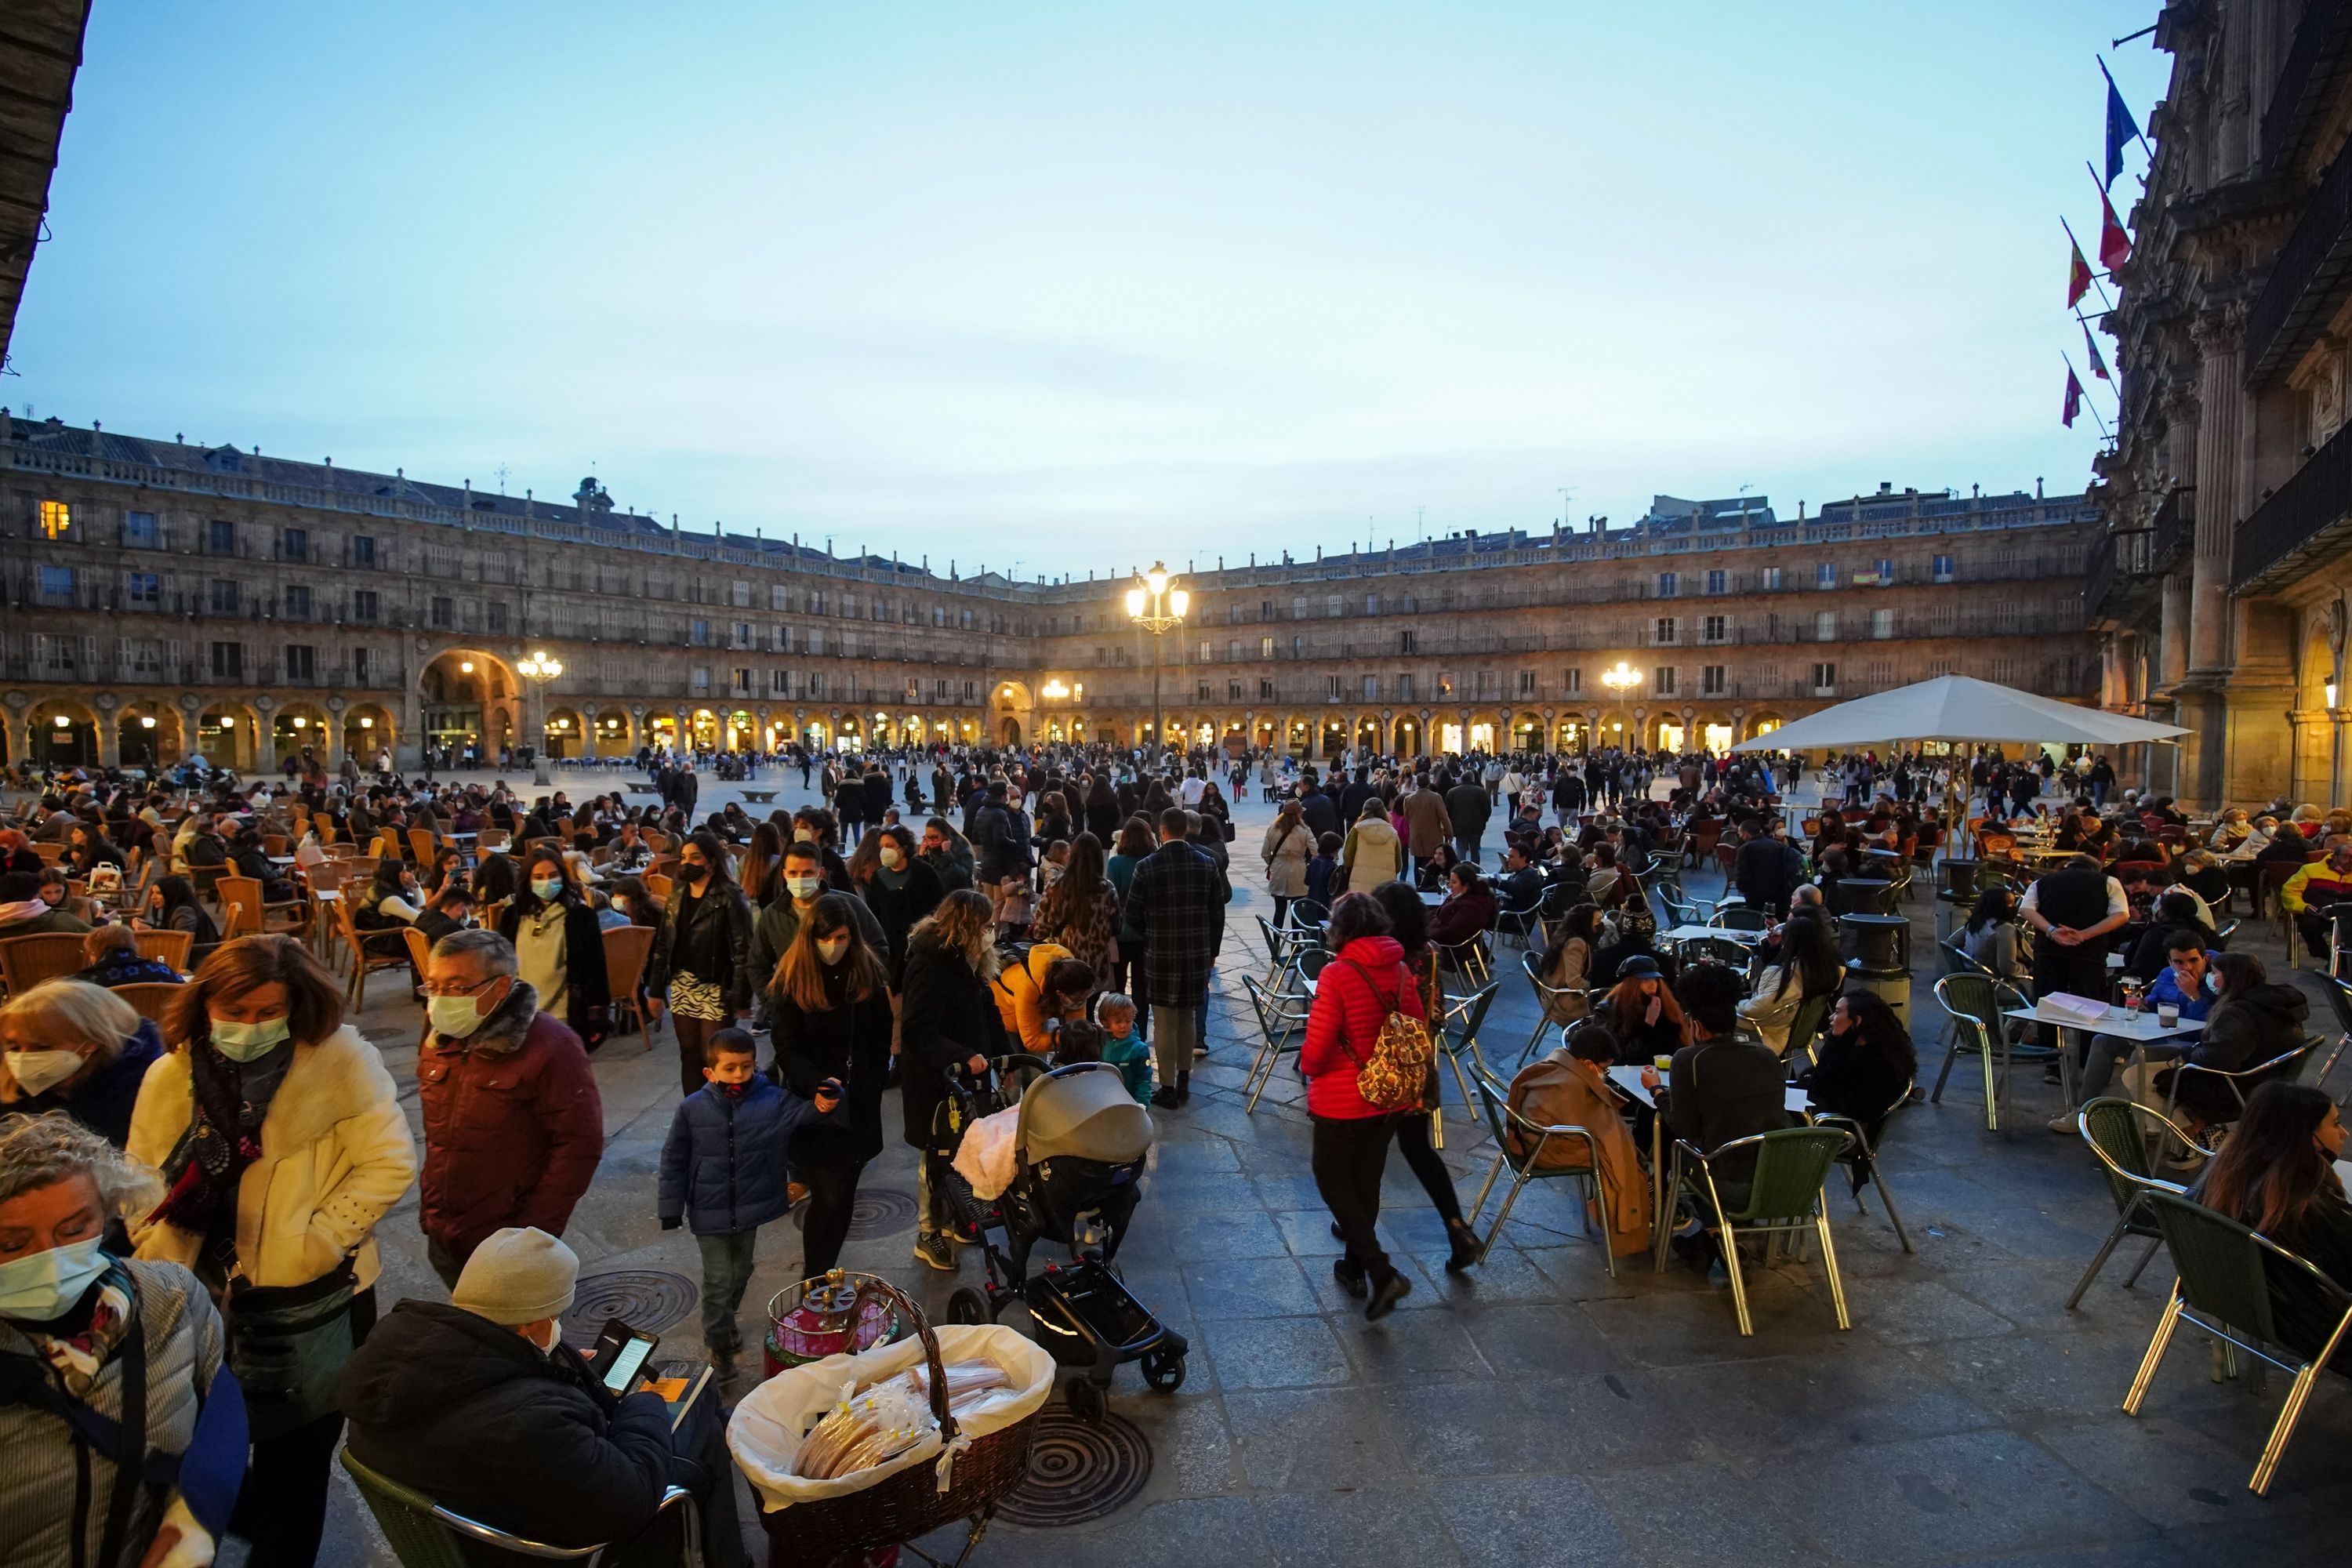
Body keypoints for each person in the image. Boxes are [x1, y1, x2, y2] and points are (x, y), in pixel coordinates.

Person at [128, 935, 418, 1568]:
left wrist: (318, 1242)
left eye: (267, 1011)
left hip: (316, 1302)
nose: (249, 1026)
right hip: (195, 1299)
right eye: (235, 1010)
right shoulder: (170, 1074)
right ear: (206, 1004)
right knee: (192, 1451)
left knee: (300, 1464)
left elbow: (388, 1163)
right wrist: (154, 1242)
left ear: (296, 1005)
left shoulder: (339, 1062)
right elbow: (139, 1175)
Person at [339, 1226, 746, 1567]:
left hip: (475, 1521)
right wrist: (645, 1402)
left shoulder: (394, 1361)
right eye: (557, 1316)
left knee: (705, 1416)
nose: (559, 1325)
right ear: (534, 1324)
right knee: (699, 1408)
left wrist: (552, 1367)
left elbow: (484, 1393)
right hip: (542, 1547)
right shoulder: (527, 1422)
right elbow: (633, 1499)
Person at [0, 1115, 246, 1568]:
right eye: (12, 1244)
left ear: (109, 1210)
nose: (49, 1261)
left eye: (73, 1230)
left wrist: (194, 1519)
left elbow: (220, 1409)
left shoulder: (171, 1298)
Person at [415, 930, 604, 1287]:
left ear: (501, 987)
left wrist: (532, 1235)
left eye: (457, 987)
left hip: (510, 1240)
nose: (440, 999)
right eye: (433, 986)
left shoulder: (551, 1047)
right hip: (445, 1228)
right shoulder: (440, 1037)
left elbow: (579, 1145)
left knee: (517, 1339)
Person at [662, 1029, 845, 1370]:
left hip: (748, 1208)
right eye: (730, 1068)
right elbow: (674, 1159)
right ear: (710, 1072)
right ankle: (719, 1339)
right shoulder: (692, 1109)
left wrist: (826, 1100)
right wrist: (670, 1208)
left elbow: (805, 1112)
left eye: (746, 1067)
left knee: (742, 1270)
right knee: (718, 1278)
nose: (739, 1074)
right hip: (708, 1209)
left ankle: (724, 1316)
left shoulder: (770, 1100)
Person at [1299, 893, 1424, 1318]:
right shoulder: (1403, 969)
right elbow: (1417, 1026)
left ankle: (1381, 1271)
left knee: (1331, 1178)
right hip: (1389, 1094)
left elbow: (1316, 1049)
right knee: (1366, 1182)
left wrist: (1310, 1068)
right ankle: (1353, 1265)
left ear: (1340, 929)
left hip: (1343, 1096)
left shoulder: (1337, 974)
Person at [764, 898, 894, 1280]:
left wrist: (873, 1080)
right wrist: (815, 1085)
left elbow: (881, 1033)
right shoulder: (793, 979)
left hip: (859, 1103)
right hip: (815, 1105)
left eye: (842, 937)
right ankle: (815, 1275)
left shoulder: (866, 971)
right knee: (829, 1194)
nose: (835, 945)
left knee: (846, 1194)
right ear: (811, 938)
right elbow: (786, 1046)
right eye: (827, 938)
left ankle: (824, 1273)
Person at [1643, 961, 1792, 1267]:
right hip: (1780, 1175)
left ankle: (1710, 1234)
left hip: (1722, 1176)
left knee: (1680, 1151)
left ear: (1695, 1024)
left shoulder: (1689, 1060)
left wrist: (1657, 1092)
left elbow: (1682, 1127)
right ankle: (1713, 1239)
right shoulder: (1766, 1055)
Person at [2190, 1081, 2352, 1364]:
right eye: (2336, 1124)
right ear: (2309, 1137)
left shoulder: (2225, 1171)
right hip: (2317, 1330)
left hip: (2240, 1304)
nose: (2344, 1133)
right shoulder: (2304, 1201)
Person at [1366, 880, 1480, 1272]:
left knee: (1369, 1157)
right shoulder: (1429, 955)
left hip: (1381, 1071)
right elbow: (1438, 1013)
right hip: (1419, 1067)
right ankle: (1456, 1226)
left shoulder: (1378, 958)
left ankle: (1356, 1240)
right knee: (1420, 1152)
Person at [898, 891, 1011, 1270]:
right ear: (966, 926)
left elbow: (986, 1010)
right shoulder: (931, 963)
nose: (989, 933)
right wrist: (962, 1056)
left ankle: (958, 1218)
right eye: (985, 926)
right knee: (936, 1153)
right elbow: (917, 1029)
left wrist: (1005, 1056)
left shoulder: (968, 961)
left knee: (964, 1146)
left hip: (967, 1076)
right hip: (936, 1079)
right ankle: (929, 1233)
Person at [1503, 1022, 1652, 1257]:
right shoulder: (1569, 1085)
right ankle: (1628, 1230)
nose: (1605, 1074)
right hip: (1549, 1149)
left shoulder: (1556, 1066)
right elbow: (1594, 1128)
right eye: (1605, 1069)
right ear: (1587, 1064)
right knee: (1623, 1160)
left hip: (1537, 1140)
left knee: (1623, 1149)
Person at [1123, 807, 1227, 1109]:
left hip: (1161, 954)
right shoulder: (1208, 864)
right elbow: (1217, 913)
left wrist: (1153, 933)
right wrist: (1212, 951)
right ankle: (1184, 1081)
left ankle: (1167, 1086)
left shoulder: (1147, 866)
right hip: (1196, 954)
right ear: (1186, 830)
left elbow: (1132, 914)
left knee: (1165, 1023)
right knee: (1188, 1018)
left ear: (1162, 831)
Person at [2153, 951, 2310, 1151]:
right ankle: (2199, 1134)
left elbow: (2215, 1060)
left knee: (2154, 1079)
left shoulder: (2237, 1013)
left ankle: (2199, 1136)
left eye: (2215, 973)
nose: (2212, 979)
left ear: (2231, 978)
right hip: (2272, 1080)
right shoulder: (2277, 1003)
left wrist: (2187, 1056)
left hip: (2240, 1089)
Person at [646, 831, 757, 1098]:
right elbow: (663, 945)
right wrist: (656, 990)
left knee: (716, 1055)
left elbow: (743, 951)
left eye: (695, 857)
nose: (687, 863)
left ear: (711, 861)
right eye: (684, 857)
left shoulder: (729, 896)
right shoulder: (677, 896)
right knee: (689, 1054)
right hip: (683, 984)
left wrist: (741, 997)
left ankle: (722, 1107)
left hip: (715, 986)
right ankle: (695, 1109)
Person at [0, 979, 167, 1149]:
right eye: (14, 1047)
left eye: (43, 1046)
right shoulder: (14, 1091)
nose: (24, 1057)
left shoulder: (138, 1096)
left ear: (94, 1041)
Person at [495, 851, 612, 1051]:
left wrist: (597, 1012)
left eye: (552, 875)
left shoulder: (581, 917)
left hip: (565, 1017)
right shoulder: (512, 917)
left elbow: (596, 967)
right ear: (527, 880)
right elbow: (501, 965)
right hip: (522, 1017)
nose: (546, 882)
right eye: (539, 877)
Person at [2022, 853, 2129, 1027]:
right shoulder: (2108, 881)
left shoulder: (2042, 882)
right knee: (2089, 1008)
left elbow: (2026, 910)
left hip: (2049, 951)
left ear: (2068, 866)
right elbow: (2122, 915)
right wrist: (2084, 935)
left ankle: (2050, 1049)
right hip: (2088, 953)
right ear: (2096, 869)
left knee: (2048, 1007)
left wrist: (2052, 930)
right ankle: (2086, 1050)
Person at [1798, 988, 1918, 1121]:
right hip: (1819, 1106)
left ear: (1857, 1020)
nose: (1831, 1018)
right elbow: (1822, 1078)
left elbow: (1855, 1106)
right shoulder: (1851, 1045)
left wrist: (1815, 1086)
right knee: (1775, 1095)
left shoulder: (1878, 1061)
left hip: (1830, 1122)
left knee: (1776, 1103)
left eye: (1837, 1012)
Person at [851, 823, 945, 984]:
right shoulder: (879, 877)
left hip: (920, 942)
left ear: (903, 848)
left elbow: (939, 905)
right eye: (882, 847)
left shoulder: (924, 872)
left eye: (890, 846)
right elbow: (875, 911)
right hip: (891, 945)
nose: (885, 851)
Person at [1738, 910, 1840, 1057]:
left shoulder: (1788, 976)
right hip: (1796, 1031)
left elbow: (1755, 1010)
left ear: (1791, 940)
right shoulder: (1823, 971)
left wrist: (1737, 1004)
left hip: (1769, 1033)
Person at [1030, 831, 1120, 986]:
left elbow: (1039, 931)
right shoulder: (1107, 889)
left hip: (1063, 963)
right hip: (1095, 967)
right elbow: (1116, 927)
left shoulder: (1055, 886)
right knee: (1088, 1008)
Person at [1596, 954, 1686, 1065]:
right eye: (1646, 980)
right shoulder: (1608, 1010)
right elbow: (1619, 1058)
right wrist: (1648, 1024)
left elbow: (1676, 1048)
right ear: (1630, 983)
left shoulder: (1665, 1006)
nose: (1652, 985)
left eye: (1655, 980)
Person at [2281, 841, 2352, 961]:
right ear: (2335, 857)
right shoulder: (2310, 870)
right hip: (2316, 912)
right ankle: (2328, 957)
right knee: (2309, 923)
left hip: (2346, 916)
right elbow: (2289, 892)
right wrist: (2303, 907)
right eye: (2346, 856)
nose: (2350, 860)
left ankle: (2342, 962)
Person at [1534, 903, 1602, 1029]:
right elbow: (1574, 982)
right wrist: (1594, 988)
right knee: (1607, 1009)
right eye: (1597, 921)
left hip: (1554, 993)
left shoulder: (1564, 934)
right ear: (1585, 923)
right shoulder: (1576, 943)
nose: (1600, 925)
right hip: (1563, 1002)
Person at [71, 922, 185, 990]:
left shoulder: (85, 982)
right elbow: (185, 992)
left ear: (95, 952)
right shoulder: (161, 971)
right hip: (158, 1028)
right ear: (132, 945)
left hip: (107, 1030)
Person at [1339, 797, 1405, 895]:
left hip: (1359, 886)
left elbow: (1347, 857)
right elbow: (1398, 865)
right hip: (1386, 888)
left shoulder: (1357, 830)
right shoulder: (1393, 833)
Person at [1260, 802, 1311, 928]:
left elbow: (1265, 853)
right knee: (1296, 910)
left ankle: (1276, 941)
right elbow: (1316, 850)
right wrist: (1308, 865)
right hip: (1298, 869)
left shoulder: (1273, 828)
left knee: (1280, 910)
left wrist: (1273, 863)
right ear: (1299, 813)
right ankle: (1295, 943)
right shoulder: (1304, 830)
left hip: (1279, 869)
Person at [1959, 886, 2025, 982]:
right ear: (1998, 906)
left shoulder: (1977, 921)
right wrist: (2026, 968)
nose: (2014, 907)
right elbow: (2007, 969)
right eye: (2010, 903)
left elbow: (1951, 941)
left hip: (1971, 974)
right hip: (1996, 984)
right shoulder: (2005, 929)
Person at [1095, 992, 1152, 1103]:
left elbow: (1144, 1080)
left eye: (1128, 1021)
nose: (1124, 1025)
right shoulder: (1097, 1041)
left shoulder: (1139, 1049)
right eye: (1118, 1022)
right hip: (1101, 1099)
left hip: (1127, 1101)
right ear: (1105, 1022)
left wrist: (1142, 1104)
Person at [0, 869, 89, 938]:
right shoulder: (61, 920)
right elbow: (96, 937)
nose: (54, 897)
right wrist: (99, 920)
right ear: (37, 896)